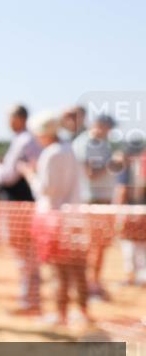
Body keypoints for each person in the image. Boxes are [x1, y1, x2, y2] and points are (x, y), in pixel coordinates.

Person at [20, 111, 91, 326]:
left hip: (54, 219)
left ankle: (61, 314)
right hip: (75, 217)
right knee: (78, 268)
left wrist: (29, 174)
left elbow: (46, 190)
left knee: (58, 269)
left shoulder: (50, 154)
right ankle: (82, 311)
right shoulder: (70, 150)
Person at [0, 104, 42, 315]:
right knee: (30, 255)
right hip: (28, 205)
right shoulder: (31, 140)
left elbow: (7, 176)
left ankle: (29, 301)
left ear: (18, 118)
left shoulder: (24, 140)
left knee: (25, 256)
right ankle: (30, 299)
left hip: (20, 207)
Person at [72, 114, 117, 300]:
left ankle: (94, 283)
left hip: (102, 199)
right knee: (92, 244)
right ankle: (88, 285)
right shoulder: (85, 144)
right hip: (91, 199)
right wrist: (112, 164)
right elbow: (90, 173)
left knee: (100, 244)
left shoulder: (103, 143)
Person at [116, 148, 146, 287]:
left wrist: (117, 212)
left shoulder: (129, 167)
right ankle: (139, 276)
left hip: (131, 210)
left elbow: (122, 190)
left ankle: (134, 276)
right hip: (135, 210)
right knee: (138, 244)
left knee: (130, 244)